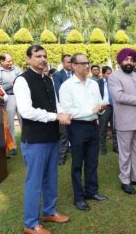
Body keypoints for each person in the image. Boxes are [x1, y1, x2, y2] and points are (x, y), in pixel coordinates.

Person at [13, 45, 71, 234]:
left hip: (52, 136)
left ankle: (49, 212)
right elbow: (26, 111)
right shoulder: (22, 80)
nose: (43, 59)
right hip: (35, 140)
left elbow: (56, 103)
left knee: (51, 178)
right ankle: (30, 224)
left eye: (45, 56)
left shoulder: (48, 79)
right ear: (29, 59)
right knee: (34, 182)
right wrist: (55, 117)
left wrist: (62, 113)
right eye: (38, 56)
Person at [59, 53, 108, 211]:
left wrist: (100, 108)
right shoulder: (67, 86)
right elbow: (68, 111)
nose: (87, 66)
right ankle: (79, 198)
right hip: (77, 127)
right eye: (82, 63)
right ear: (73, 66)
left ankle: (91, 191)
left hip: (93, 125)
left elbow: (98, 103)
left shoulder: (93, 83)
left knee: (92, 161)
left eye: (88, 62)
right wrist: (91, 110)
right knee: (77, 163)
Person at [108, 48, 136, 195]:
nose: (129, 62)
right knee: (125, 152)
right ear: (120, 61)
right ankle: (125, 180)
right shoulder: (114, 77)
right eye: (126, 59)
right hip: (125, 121)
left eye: (131, 59)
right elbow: (119, 96)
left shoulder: (135, 75)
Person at [0, 53, 22, 156]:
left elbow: (22, 81)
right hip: (8, 97)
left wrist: (15, 83)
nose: (11, 63)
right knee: (10, 123)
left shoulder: (16, 68)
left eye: (11, 60)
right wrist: (11, 84)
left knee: (25, 120)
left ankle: (27, 142)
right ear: (2, 61)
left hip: (20, 96)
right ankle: (12, 146)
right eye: (8, 61)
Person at [53, 54, 72, 165]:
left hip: (76, 109)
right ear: (63, 63)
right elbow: (59, 91)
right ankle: (61, 157)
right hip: (64, 108)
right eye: (68, 62)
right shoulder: (57, 75)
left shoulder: (76, 74)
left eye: (71, 62)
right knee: (64, 134)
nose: (70, 64)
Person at [98, 66, 118, 155]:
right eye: (108, 73)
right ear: (103, 74)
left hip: (114, 106)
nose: (110, 75)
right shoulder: (98, 83)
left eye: (111, 73)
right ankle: (103, 148)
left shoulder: (115, 82)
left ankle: (116, 147)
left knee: (115, 128)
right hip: (105, 107)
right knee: (103, 128)